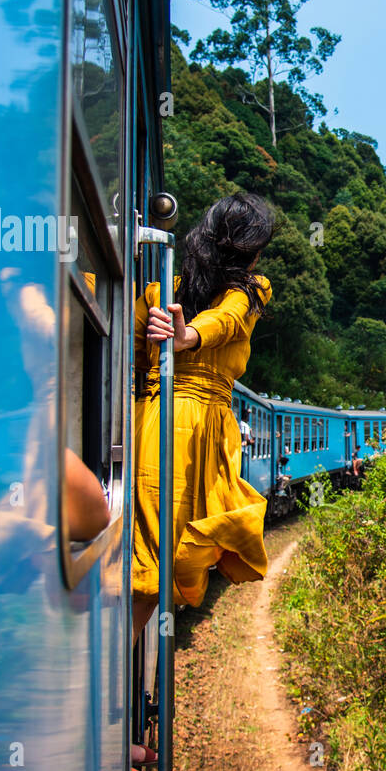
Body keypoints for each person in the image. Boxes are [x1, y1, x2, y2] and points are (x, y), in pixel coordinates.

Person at [131, 192, 274, 641]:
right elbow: (230, 320)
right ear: (249, 249)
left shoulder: (159, 291)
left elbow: (132, 348)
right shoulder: (252, 290)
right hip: (192, 432)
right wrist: (188, 336)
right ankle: (108, 680)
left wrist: (185, 335)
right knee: (161, 566)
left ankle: (114, 665)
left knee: (153, 557)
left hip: (148, 420)